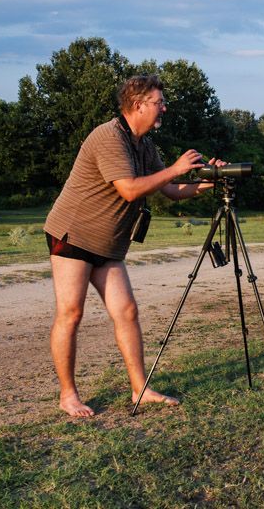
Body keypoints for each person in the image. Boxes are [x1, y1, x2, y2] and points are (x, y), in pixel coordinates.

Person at [44, 74, 224, 417]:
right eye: (159, 102)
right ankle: (68, 395)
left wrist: (209, 181)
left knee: (127, 311)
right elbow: (128, 189)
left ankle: (140, 389)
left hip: (109, 243)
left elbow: (170, 190)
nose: (164, 108)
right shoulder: (108, 136)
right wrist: (174, 169)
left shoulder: (144, 145)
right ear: (139, 105)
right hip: (74, 234)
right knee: (72, 312)